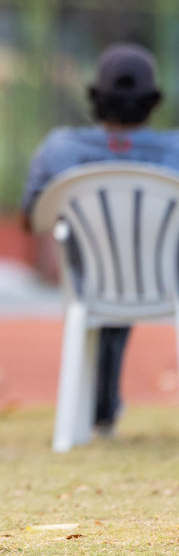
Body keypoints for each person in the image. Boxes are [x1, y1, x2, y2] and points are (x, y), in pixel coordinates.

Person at [22, 43, 179, 437]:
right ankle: (104, 408)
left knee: (105, 267)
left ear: (95, 97)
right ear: (153, 101)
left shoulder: (59, 150)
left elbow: (31, 219)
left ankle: (100, 410)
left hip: (90, 285)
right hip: (168, 283)